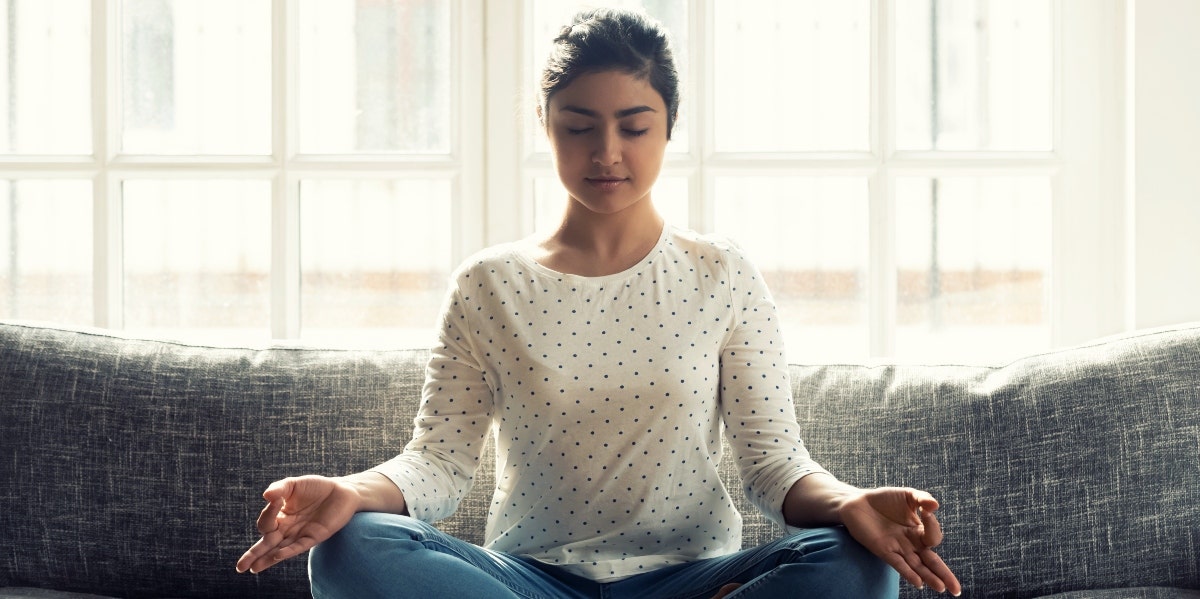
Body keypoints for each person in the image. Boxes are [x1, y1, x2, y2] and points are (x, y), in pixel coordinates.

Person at [237, 8, 961, 598]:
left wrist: (848, 503)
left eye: (634, 126)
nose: (606, 151)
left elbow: (773, 463)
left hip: (695, 579)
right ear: (547, 126)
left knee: (856, 563)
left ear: (668, 127)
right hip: (528, 580)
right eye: (579, 125)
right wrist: (351, 491)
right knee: (351, 549)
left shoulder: (722, 273)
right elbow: (438, 464)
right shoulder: (488, 284)